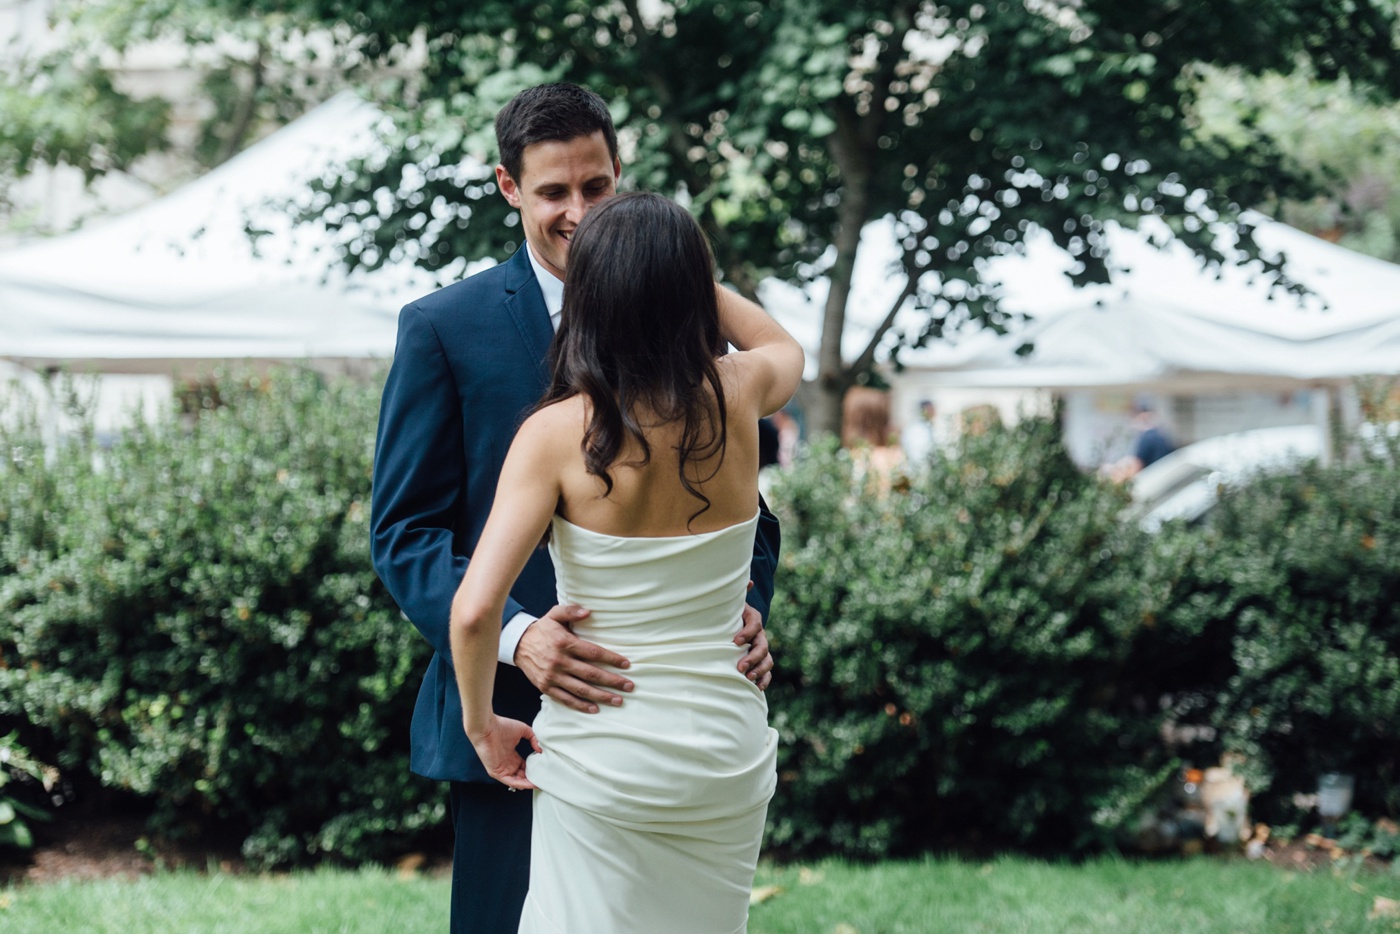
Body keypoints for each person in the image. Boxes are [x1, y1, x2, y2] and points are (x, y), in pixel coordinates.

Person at [369, 84, 779, 934]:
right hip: (518, 716)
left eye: (596, 188)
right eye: (554, 191)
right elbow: (404, 534)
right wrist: (524, 637)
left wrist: (743, 607)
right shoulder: (444, 328)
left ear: (619, 179)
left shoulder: (689, 340)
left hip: (680, 699)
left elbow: (749, 517)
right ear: (508, 187)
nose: (579, 213)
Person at [449, 191, 804, 934]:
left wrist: (483, 725)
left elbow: (477, 608)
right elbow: (784, 345)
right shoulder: (738, 397)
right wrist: (673, 277)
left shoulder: (555, 434)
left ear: (592, 293)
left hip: (604, 753)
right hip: (725, 750)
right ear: (690, 293)